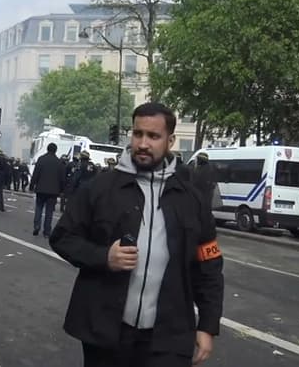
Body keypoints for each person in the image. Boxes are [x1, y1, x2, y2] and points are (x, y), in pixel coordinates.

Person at [49, 103, 224, 367]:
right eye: (138, 134)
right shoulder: (99, 188)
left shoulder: (192, 199)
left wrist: (207, 326)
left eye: (153, 136)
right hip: (107, 331)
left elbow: (209, 265)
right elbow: (62, 237)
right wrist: (103, 257)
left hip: (168, 337)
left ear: (170, 140)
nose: (143, 143)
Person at [29, 143, 65, 238]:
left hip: (41, 188)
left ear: (47, 149)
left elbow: (36, 173)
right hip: (53, 191)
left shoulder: (41, 159)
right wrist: (62, 190)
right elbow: (62, 178)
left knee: (39, 208)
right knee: (49, 212)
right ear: (55, 150)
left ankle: (37, 225)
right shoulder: (59, 162)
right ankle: (47, 231)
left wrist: (32, 185)